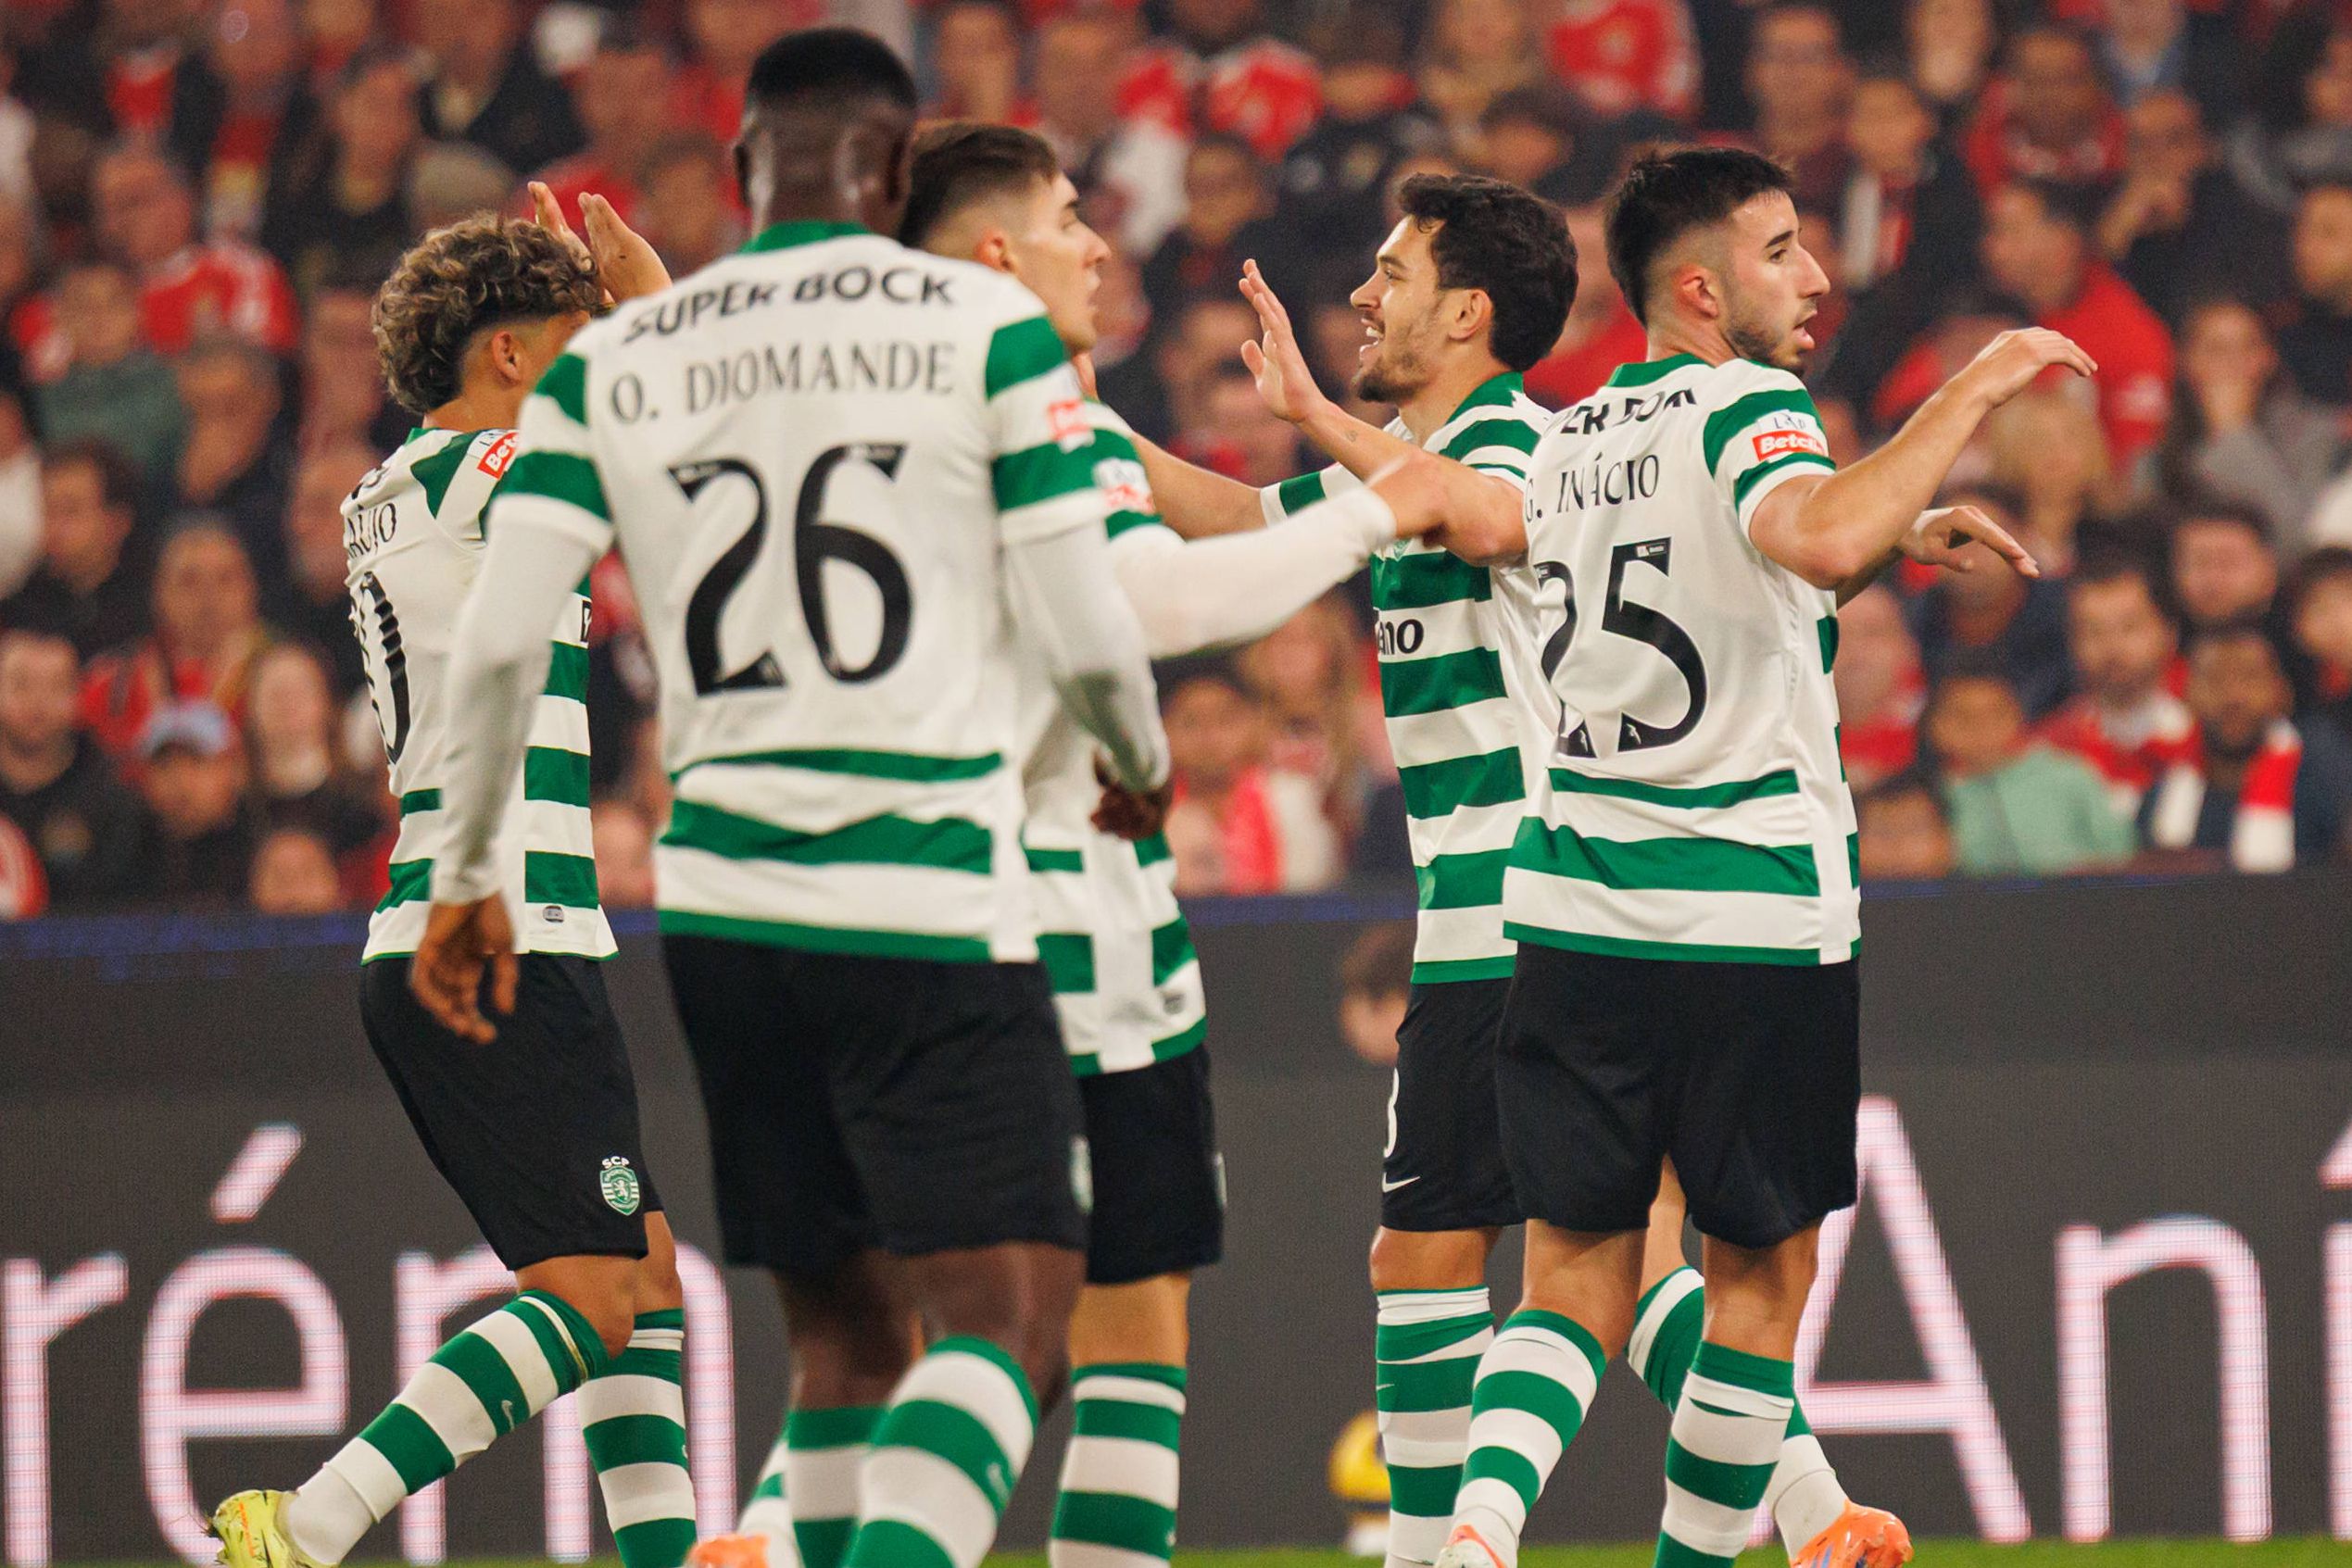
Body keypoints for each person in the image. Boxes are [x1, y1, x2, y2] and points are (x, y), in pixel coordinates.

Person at [407, 32, 1172, 1568]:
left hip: (721, 915)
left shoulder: (625, 356)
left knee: (838, 1334)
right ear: (892, 175)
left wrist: (469, 870)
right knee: (1008, 1313)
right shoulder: (980, 327)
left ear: (743, 166)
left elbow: (497, 636)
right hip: (921, 891)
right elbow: (1085, 611)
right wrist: (1133, 757)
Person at [695, 119, 1440, 1568]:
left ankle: (779, 1525)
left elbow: (1231, 515)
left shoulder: (921, 410)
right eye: (1064, 218)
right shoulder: (1017, 403)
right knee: (1056, 1331)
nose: (1099, 244)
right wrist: (1376, 517)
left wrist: (1373, 469)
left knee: (1004, 1326)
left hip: (925, 907)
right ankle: (788, 1536)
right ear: (991, 253)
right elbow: (1148, 601)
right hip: (1056, 929)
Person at [1456, 145, 2079, 1568]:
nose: (1812, 275)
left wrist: (1893, 535)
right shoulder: (1751, 402)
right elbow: (1801, 527)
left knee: (1568, 1285)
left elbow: (1727, 564)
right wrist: (1973, 390)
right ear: (1698, 285)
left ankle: (1472, 1540)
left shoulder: (1569, 432)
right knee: (1754, 1280)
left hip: (1570, 907)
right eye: (1782, 248)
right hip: (1743, 915)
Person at [204, 193, 698, 1568]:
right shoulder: (490, 470)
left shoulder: (395, 490)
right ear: (509, 363)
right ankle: (310, 1522)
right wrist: (654, 304)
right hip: (498, 930)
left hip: (463, 923)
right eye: (571, 337)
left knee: (639, 1278)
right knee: (594, 1293)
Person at [2143, 619, 2352, 871]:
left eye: (2250, 677)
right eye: (2215, 679)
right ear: (2187, 693)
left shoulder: (2329, 777)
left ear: (2281, 691)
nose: (2233, 697)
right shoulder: (2162, 794)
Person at [1921, 656, 2136, 876]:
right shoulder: (1929, 797)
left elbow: (2117, 852)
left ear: (2018, 715)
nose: (1982, 730)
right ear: (1935, 726)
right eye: (1964, 718)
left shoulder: (2068, 775)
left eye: (1996, 714)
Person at [2038, 552, 2195, 817]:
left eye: (2130, 627)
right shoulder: (2051, 750)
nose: (2112, 648)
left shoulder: (2213, 732)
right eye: (2093, 631)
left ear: (2170, 633)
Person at [0, 627, 146, 908]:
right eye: (21, 684)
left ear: (79, 696)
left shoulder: (113, 799)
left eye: (56, 686)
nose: (37, 702)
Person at [5, 439, 149, 659]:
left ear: (117, 522)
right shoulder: (20, 611)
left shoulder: (151, 606)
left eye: (71, 511)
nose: (54, 527)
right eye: (48, 509)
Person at [1854, 769, 1955, 881]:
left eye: (1915, 830)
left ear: (1947, 839)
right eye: (1882, 832)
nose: (1898, 843)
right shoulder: (1839, 895)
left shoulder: (1972, 894)